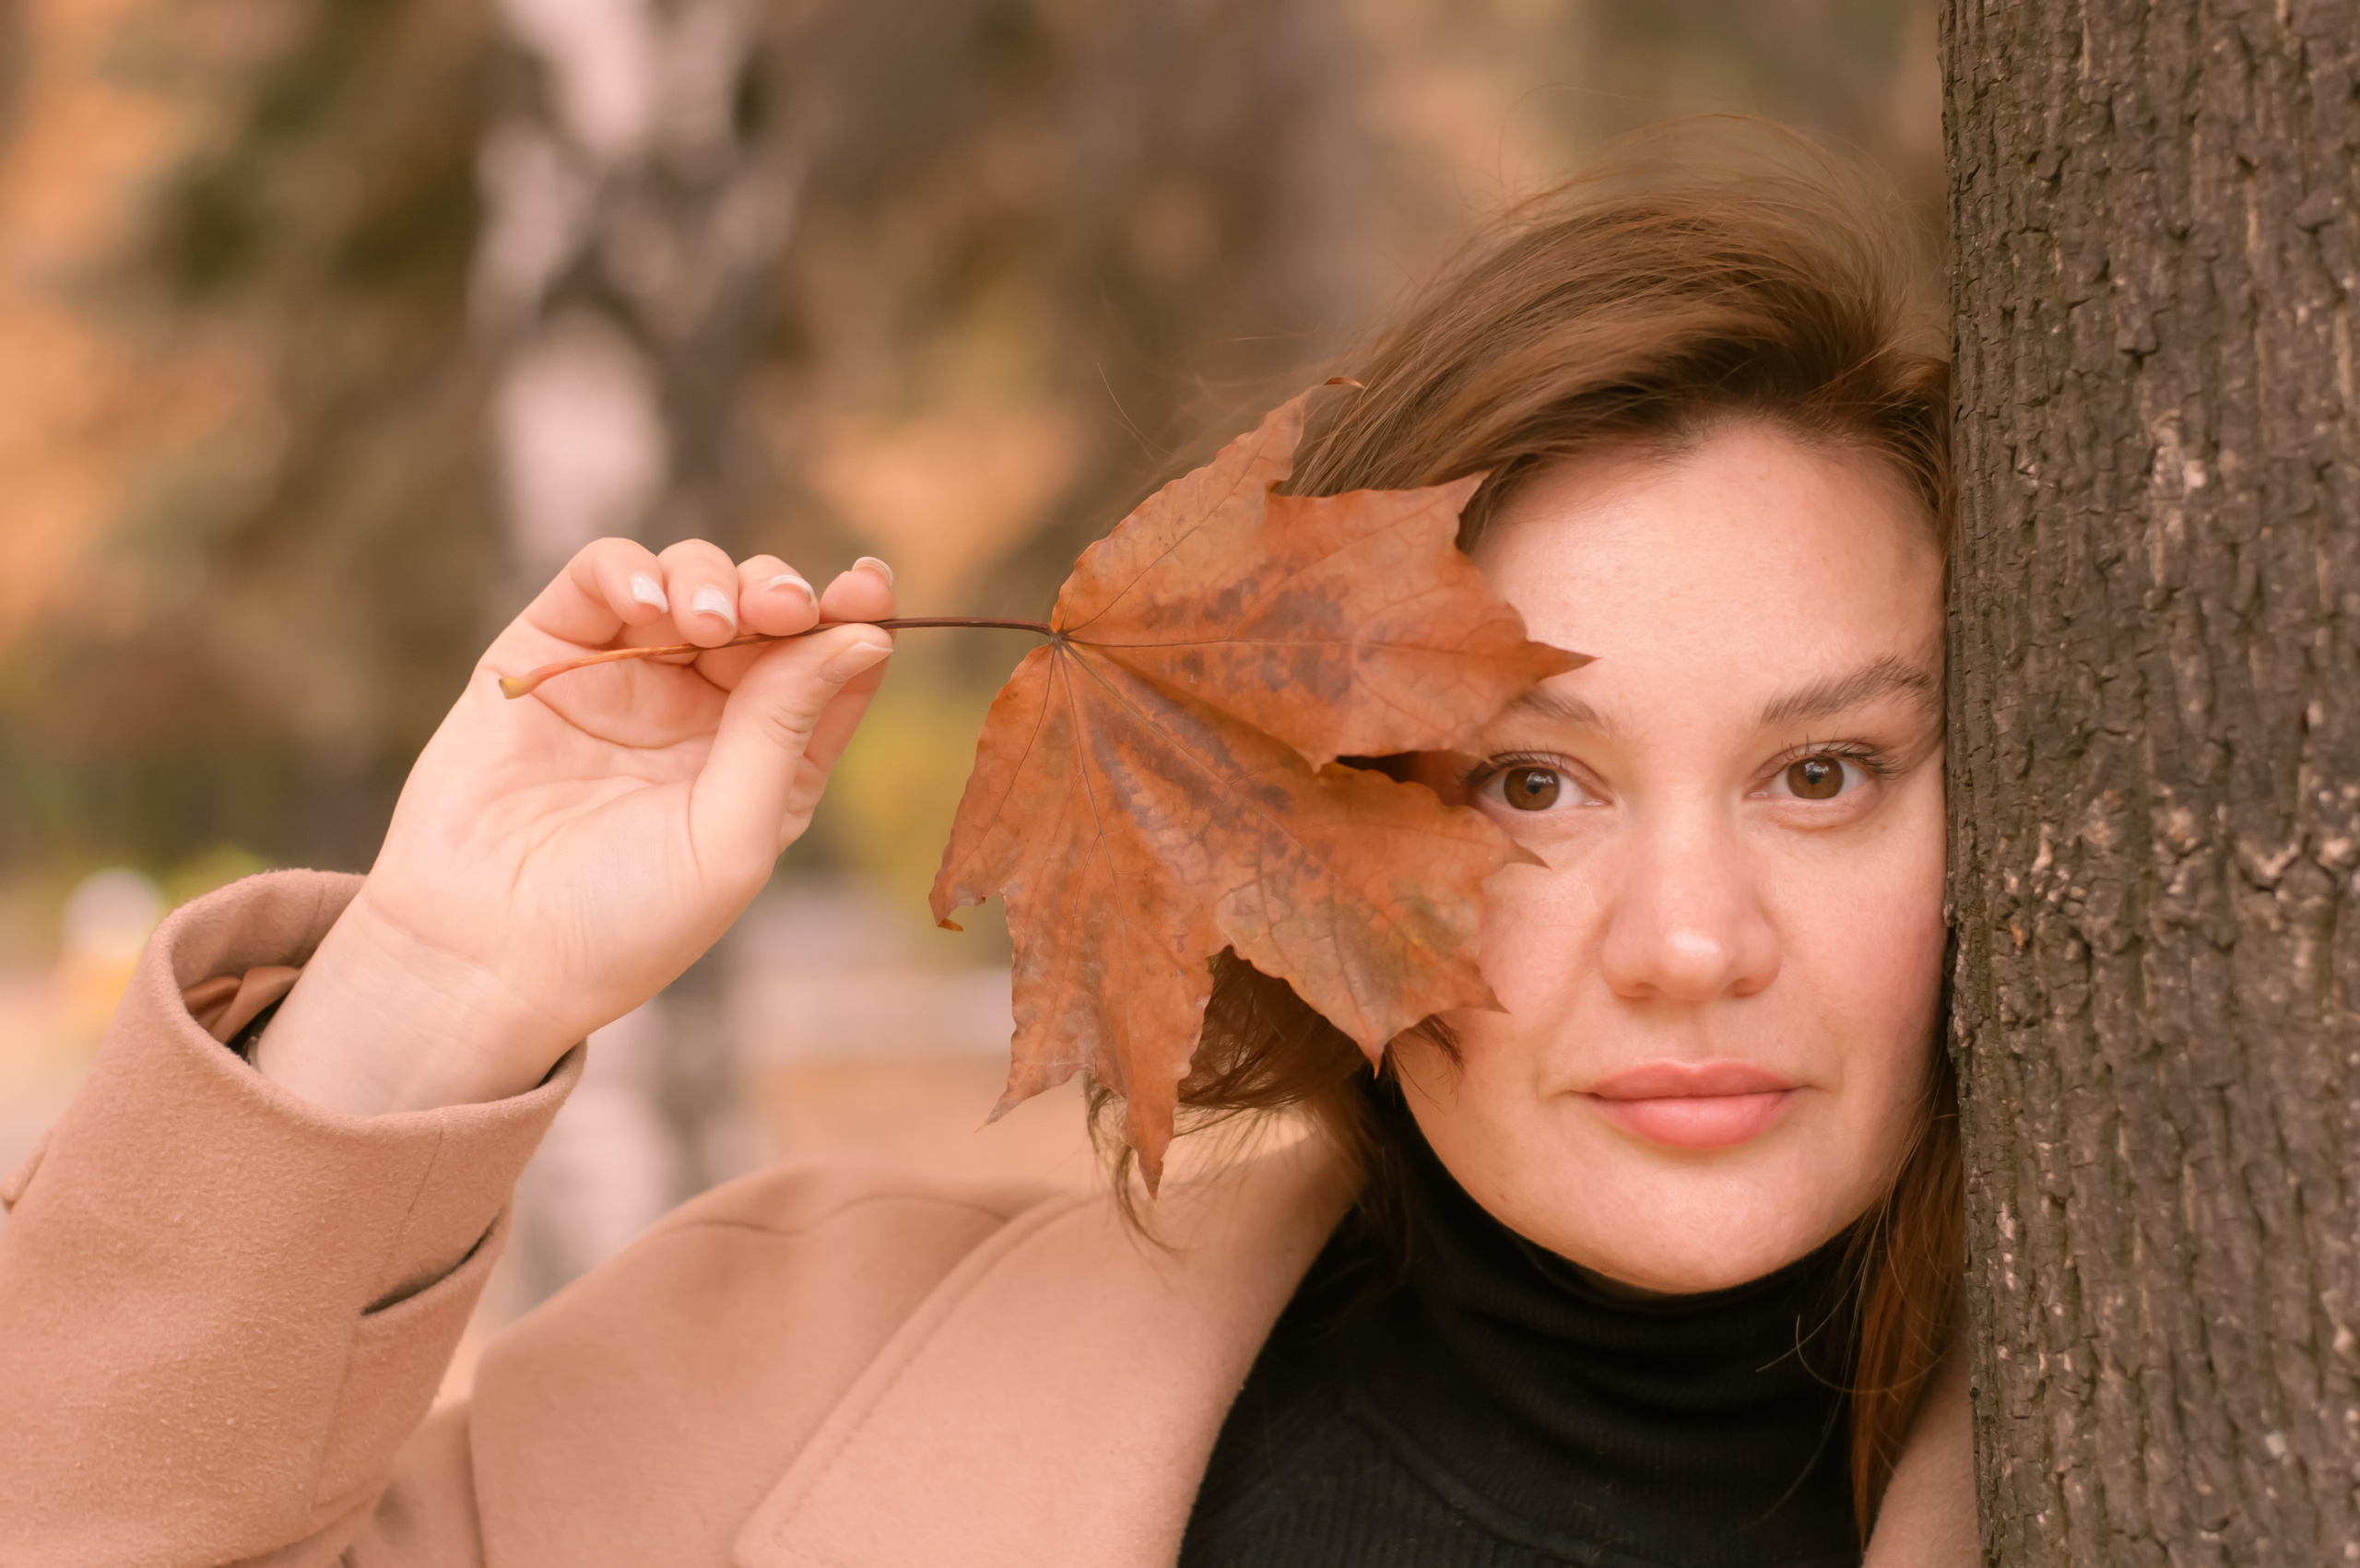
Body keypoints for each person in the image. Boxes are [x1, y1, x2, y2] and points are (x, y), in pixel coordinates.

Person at [0, 124, 1974, 1567]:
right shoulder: (765, 1398)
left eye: (1822, 774)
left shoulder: (2249, 1426)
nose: (1691, 942)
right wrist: (434, 985)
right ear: (1289, 813)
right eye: (1529, 783)